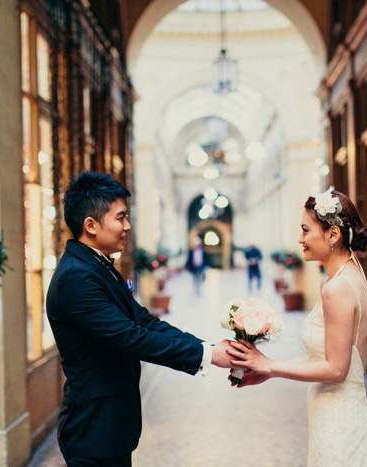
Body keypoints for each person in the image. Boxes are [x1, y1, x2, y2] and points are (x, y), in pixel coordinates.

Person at [46, 172, 232, 467]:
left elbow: (144, 321)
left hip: (111, 425)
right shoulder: (76, 277)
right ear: (90, 225)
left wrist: (206, 346)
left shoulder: (97, 266)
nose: (127, 226)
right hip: (92, 428)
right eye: (120, 218)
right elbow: (131, 337)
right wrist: (207, 355)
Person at [227, 186, 367, 466]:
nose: (300, 238)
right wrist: (271, 370)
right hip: (339, 413)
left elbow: (336, 370)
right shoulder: (349, 274)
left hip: (338, 421)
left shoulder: (336, 288)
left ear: (333, 235)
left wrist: (270, 366)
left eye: (305, 230)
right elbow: (325, 357)